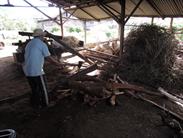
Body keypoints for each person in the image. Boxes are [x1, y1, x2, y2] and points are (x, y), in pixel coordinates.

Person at [22, 28, 61, 109]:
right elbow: (48, 58)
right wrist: (58, 64)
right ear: (41, 36)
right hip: (37, 72)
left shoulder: (29, 44)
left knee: (34, 89)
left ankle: (35, 103)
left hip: (27, 71)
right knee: (43, 89)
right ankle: (46, 104)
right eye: (43, 36)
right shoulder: (42, 44)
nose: (44, 38)